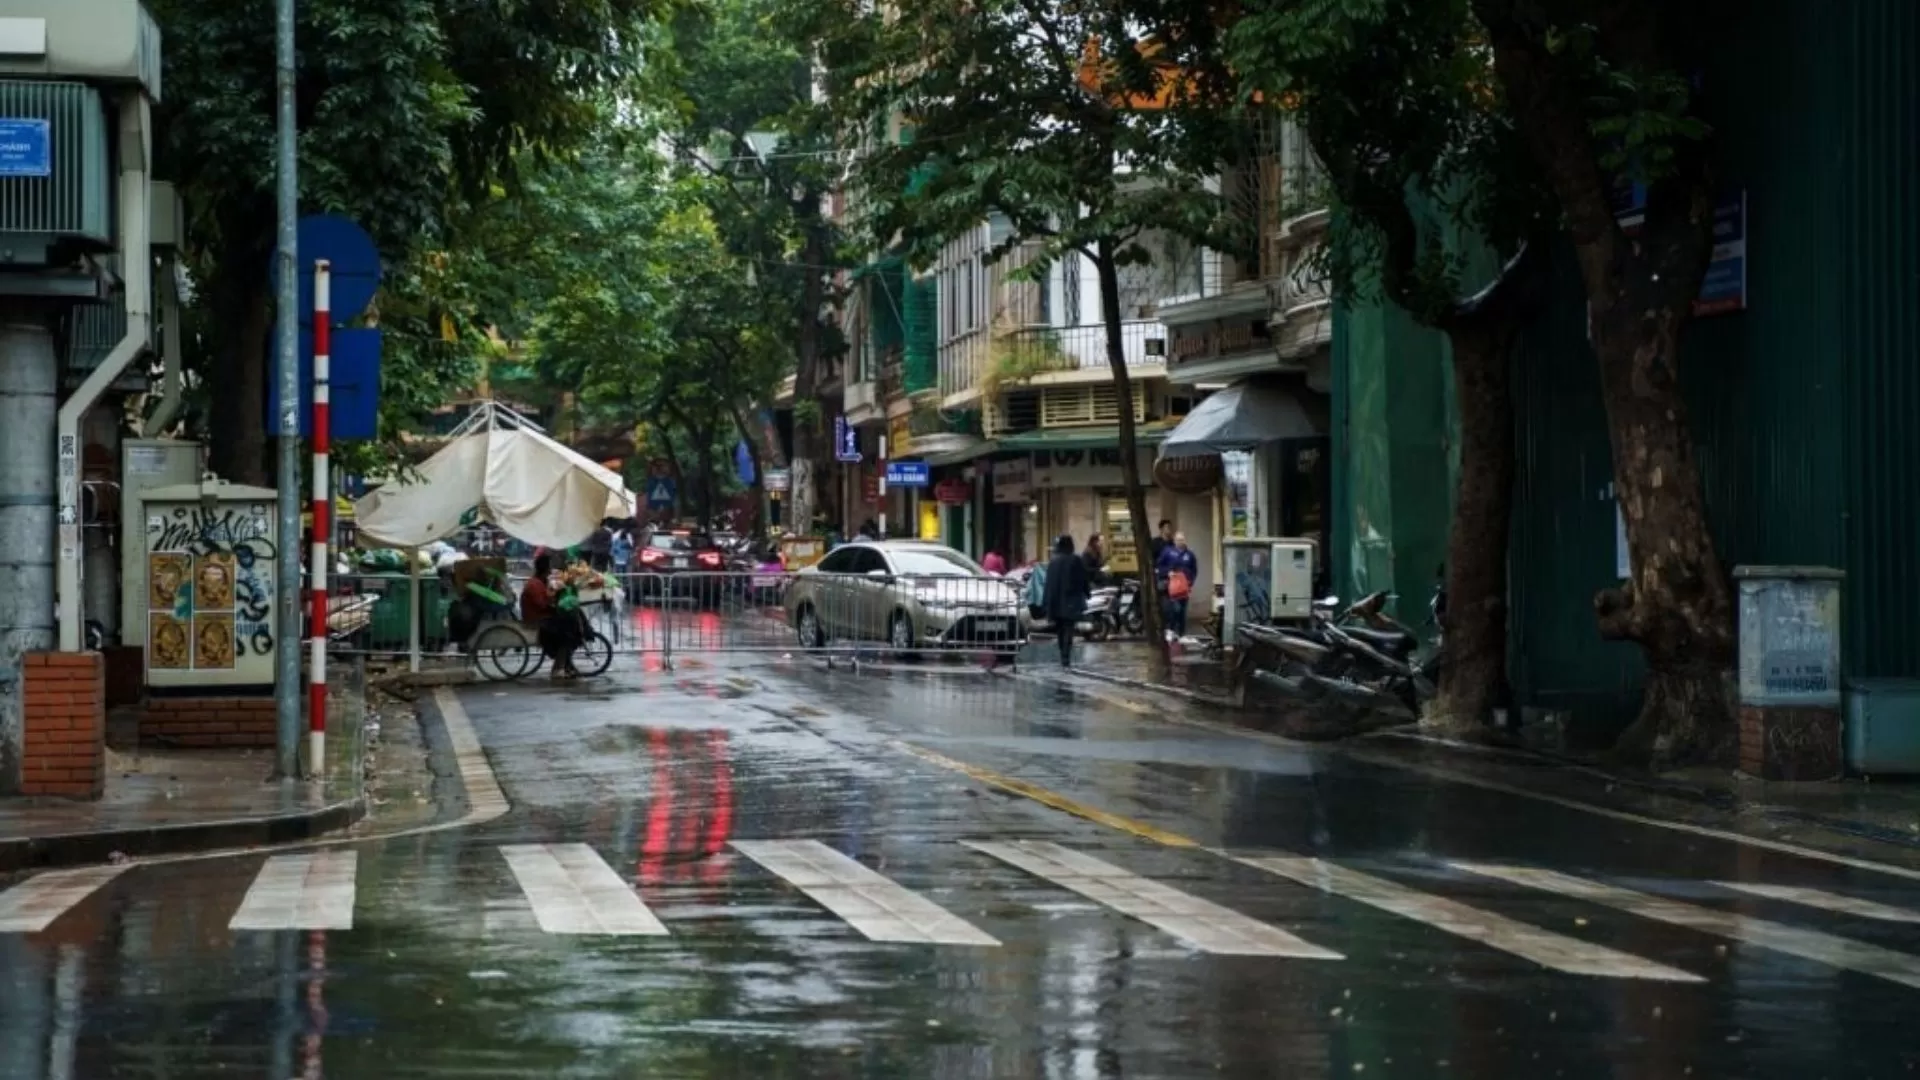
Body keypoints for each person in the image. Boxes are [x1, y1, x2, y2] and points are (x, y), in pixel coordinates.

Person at [521, 554, 583, 678]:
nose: (550, 571)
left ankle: (567, 665)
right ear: (545, 569)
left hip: (544, 617)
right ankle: (558, 667)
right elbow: (543, 604)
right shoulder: (534, 585)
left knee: (571, 622)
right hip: (538, 620)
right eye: (549, 568)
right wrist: (554, 595)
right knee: (567, 632)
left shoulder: (539, 582)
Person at [1041, 534, 1091, 669]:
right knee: (1069, 628)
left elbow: (1048, 584)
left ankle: (1063, 654)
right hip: (1071, 600)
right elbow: (1082, 579)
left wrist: (1046, 602)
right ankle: (1065, 656)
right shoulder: (1075, 560)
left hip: (1056, 601)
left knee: (1060, 629)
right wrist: (1087, 593)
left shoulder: (1053, 561)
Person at [1156, 531, 1199, 638]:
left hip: (1185, 587)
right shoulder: (1168, 552)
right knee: (1175, 609)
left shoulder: (1189, 554)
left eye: (1182, 540)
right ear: (1174, 541)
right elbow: (1159, 566)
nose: (1180, 542)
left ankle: (1181, 633)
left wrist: (1190, 582)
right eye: (1178, 540)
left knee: (1183, 611)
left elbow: (1194, 570)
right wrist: (1167, 572)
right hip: (1172, 586)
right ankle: (1171, 629)